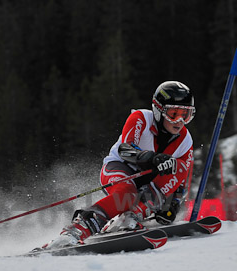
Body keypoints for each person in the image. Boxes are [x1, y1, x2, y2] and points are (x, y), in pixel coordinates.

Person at [42, 81, 195, 250]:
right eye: (173, 114)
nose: (180, 121)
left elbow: (181, 175)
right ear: (159, 111)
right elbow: (125, 149)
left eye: (186, 115)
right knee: (127, 194)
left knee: (178, 166)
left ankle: (132, 215)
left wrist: (173, 205)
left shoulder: (185, 140)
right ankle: (76, 230)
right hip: (119, 168)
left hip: (147, 180)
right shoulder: (141, 118)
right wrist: (151, 157)